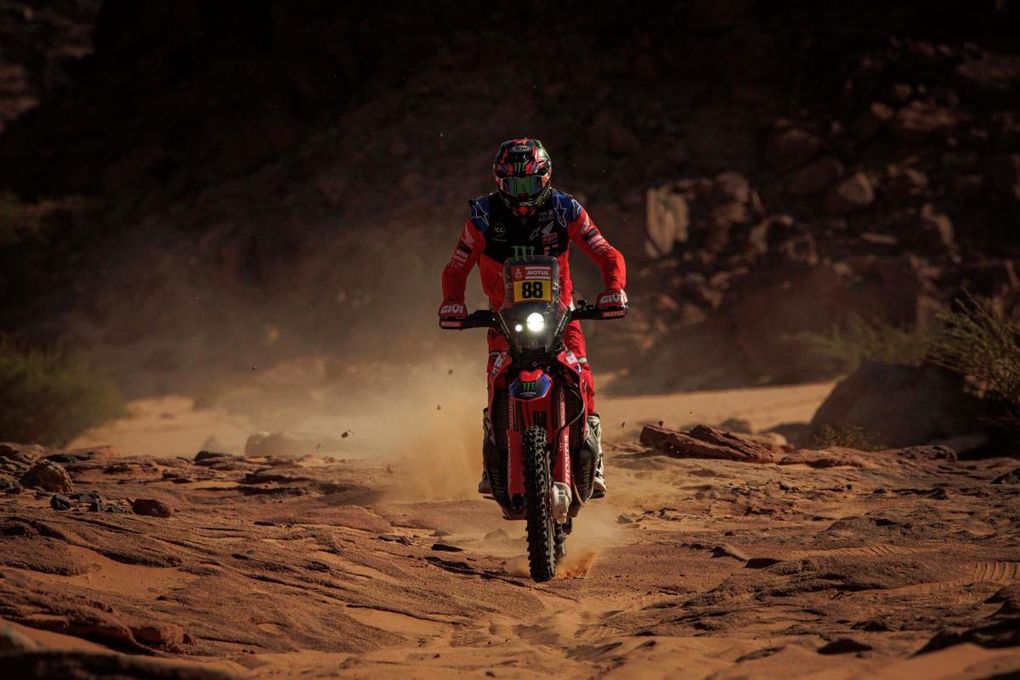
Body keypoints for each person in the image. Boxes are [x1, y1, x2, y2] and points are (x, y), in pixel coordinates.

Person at [439, 138, 627, 497]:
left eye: (528, 184)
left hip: (561, 312)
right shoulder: (483, 214)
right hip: (504, 318)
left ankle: (595, 454)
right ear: (499, 182)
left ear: (546, 177)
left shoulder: (566, 209)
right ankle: (492, 456)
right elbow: (457, 266)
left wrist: (614, 289)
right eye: (513, 185)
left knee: (582, 374)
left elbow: (605, 252)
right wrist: (453, 302)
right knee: (496, 379)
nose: (522, 194)